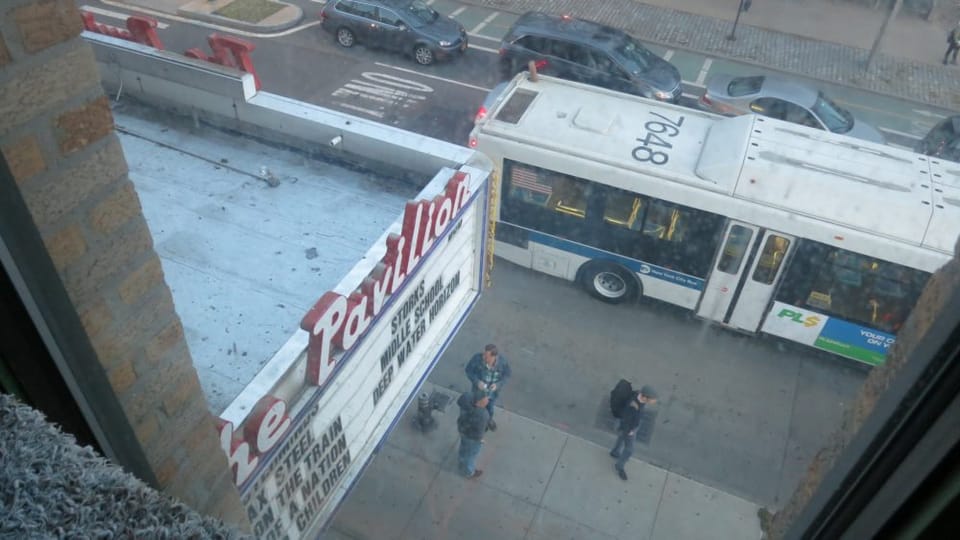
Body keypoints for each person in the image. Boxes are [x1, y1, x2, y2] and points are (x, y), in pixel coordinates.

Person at [609, 385, 658, 481]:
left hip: (629, 426)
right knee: (629, 449)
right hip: (629, 428)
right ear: (645, 397)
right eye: (652, 399)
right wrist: (629, 431)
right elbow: (626, 420)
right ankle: (619, 466)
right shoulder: (633, 406)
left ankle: (615, 452)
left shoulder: (638, 396)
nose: (654, 401)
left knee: (621, 438)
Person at [465, 344, 511, 431]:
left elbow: (507, 374)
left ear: (494, 357)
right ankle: (475, 423)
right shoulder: (477, 359)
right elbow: (468, 370)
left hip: (492, 394)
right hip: (478, 392)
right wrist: (477, 382)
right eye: (484, 354)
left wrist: (498, 385)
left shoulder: (502, 362)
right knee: (476, 407)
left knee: (490, 408)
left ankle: (487, 421)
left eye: (487, 357)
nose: (483, 357)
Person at [456, 390, 490, 479]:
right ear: (478, 402)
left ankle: (461, 460)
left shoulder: (467, 399)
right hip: (472, 438)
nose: (487, 402)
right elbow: (479, 433)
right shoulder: (482, 415)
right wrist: (480, 440)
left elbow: (460, 401)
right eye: (485, 400)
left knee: (464, 449)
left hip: (463, 431)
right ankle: (469, 472)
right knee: (471, 455)